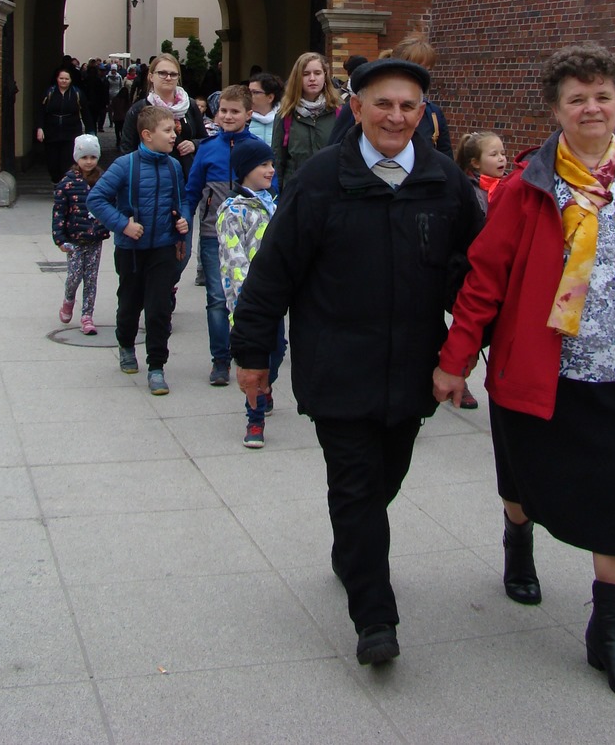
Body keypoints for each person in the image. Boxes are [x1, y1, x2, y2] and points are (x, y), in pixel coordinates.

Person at [433, 42, 615, 703]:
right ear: (556, 109)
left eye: (602, 96)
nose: (591, 108)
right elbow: (484, 280)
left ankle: (607, 634)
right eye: (577, 98)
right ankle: (518, 539)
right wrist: (455, 361)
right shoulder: (527, 187)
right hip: (539, 373)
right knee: (523, 485)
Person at [232, 58, 483, 666]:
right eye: (383, 104)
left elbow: (476, 273)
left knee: (383, 480)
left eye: (408, 106)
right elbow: (273, 272)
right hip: (337, 367)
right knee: (355, 485)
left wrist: (473, 346)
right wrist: (252, 354)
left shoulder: (444, 181)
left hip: (411, 370)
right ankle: (375, 617)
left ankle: (352, 551)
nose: (395, 117)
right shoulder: (321, 179)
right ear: (357, 108)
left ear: (423, 115)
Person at [88, 105, 190, 396]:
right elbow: (96, 199)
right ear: (147, 135)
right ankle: (126, 345)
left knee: (159, 309)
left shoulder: (173, 166)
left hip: (163, 248)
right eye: (167, 130)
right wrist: (123, 225)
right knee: (130, 305)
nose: (174, 135)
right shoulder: (125, 165)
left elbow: (182, 200)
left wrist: (183, 219)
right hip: (131, 250)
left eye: (174, 129)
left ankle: (156, 367)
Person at [185, 85, 260, 385]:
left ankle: (248, 353)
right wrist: (184, 222)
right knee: (217, 297)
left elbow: (271, 190)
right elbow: (192, 191)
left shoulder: (257, 149)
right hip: (212, 233)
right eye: (223, 111)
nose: (227, 116)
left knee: (249, 296)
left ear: (248, 114)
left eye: (235, 111)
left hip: (249, 236)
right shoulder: (207, 149)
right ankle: (220, 359)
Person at [216, 136, 283, 450]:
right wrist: (247, 300)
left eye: (271, 163)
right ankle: (254, 419)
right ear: (245, 170)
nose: (271, 170)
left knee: (277, 352)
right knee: (256, 357)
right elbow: (234, 260)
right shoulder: (232, 211)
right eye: (263, 165)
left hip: (276, 297)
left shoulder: (274, 204)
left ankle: (266, 386)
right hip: (248, 303)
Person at [51, 133, 110, 334]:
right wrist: (60, 238)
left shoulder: (102, 180)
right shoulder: (67, 183)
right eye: (84, 157)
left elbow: (109, 204)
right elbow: (59, 212)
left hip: (95, 238)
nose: (89, 162)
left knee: (91, 279)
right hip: (74, 239)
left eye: (93, 157)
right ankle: (69, 299)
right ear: (77, 158)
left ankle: (87, 316)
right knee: (74, 276)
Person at [272, 51, 340, 190]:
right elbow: (278, 159)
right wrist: (278, 195)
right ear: (297, 78)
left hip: (331, 190)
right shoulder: (285, 115)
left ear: (325, 76)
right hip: (297, 190)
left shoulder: (338, 112)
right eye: (306, 74)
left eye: (317, 73)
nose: (312, 78)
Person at [36, 69, 92, 184]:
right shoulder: (49, 92)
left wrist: (90, 131)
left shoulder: (77, 93)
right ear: (57, 79)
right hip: (52, 132)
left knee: (67, 162)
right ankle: (56, 182)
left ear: (71, 80)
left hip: (71, 132)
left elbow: (85, 112)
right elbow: (41, 111)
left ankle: (65, 185)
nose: (64, 81)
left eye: (66, 79)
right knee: (52, 162)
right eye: (61, 78)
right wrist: (40, 128)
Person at [455, 131, 509, 216]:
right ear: (476, 163)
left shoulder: (510, 185)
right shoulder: (469, 191)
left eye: (503, 153)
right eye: (494, 154)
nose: (501, 158)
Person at [246, 71, 285, 146]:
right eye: (248, 92)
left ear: (270, 97)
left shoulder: (284, 119)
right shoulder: (243, 119)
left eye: (255, 92)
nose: (249, 96)